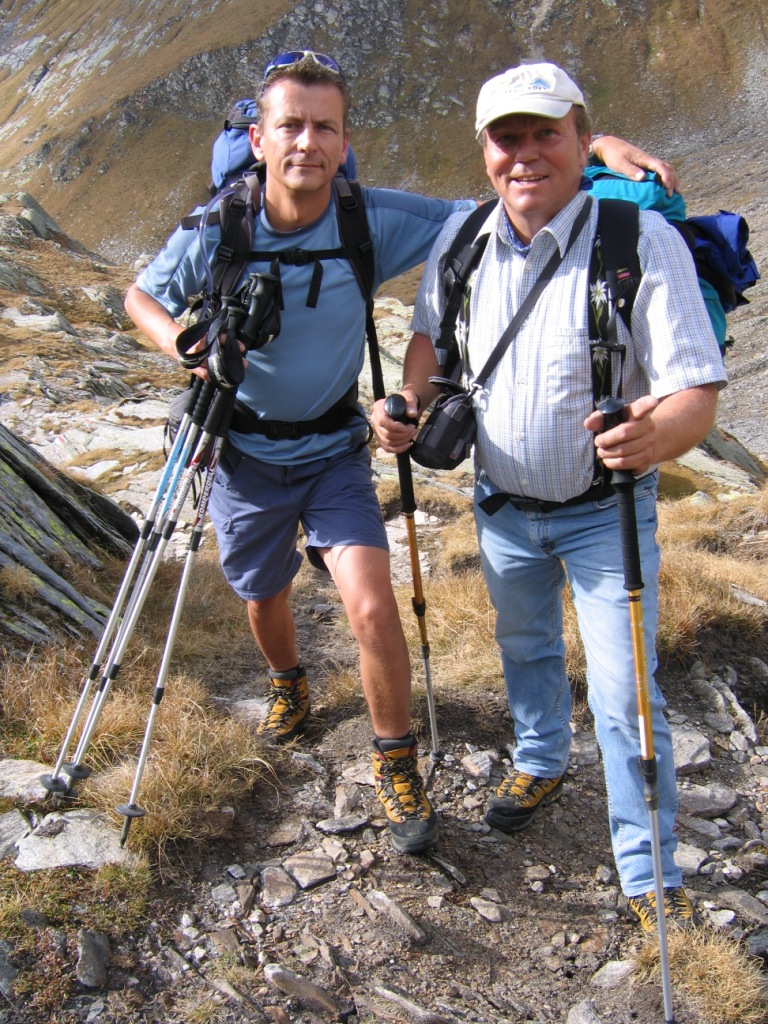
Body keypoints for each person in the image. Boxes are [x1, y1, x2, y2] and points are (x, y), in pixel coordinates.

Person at [125, 49, 683, 858]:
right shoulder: (216, 228)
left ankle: (396, 763)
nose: (308, 142)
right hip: (243, 455)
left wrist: (595, 148)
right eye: (291, 126)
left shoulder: (368, 219)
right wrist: (185, 342)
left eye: (326, 128)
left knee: (372, 605)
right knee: (263, 592)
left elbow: (509, 191)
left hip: (334, 450)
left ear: (345, 141)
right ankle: (287, 680)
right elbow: (141, 294)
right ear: (258, 138)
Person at [372, 59, 726, 926]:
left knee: (625, 697)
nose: (525, 154)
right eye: (507, 138)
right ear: (484, 149)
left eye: (546, 134)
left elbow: (695, 389)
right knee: (524, 646)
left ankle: (649, 875)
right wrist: (409, 401)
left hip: (609, 517)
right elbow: (430, 338)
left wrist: (656, 436)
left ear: (581, 138)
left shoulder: (640, 241)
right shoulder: (462, 239)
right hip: (501, 508)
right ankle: (540, 759)